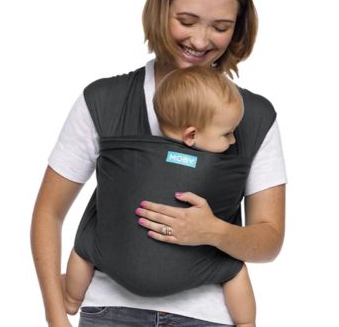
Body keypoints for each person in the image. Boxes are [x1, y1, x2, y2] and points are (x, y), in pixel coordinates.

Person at [31, 0, 286, 327]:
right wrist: (55, 315)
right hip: (109, 313)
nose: (200, 41)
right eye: (186, 20)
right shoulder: (105, 101)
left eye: (220, 27)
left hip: (207, 317)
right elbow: (48, 213)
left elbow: (269, 241)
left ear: (238, 27)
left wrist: (213, 232)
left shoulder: (253, 117)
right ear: (160, 8)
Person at [63, 66, 255, 327]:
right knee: (234, 270)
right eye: (227, 133)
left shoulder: (126, 154)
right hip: (196, 279)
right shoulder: (219, 172)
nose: (233, 141)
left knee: (84, 248)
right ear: (191, 135)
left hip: (113, 273)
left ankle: (72, 298)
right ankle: (246, 322)